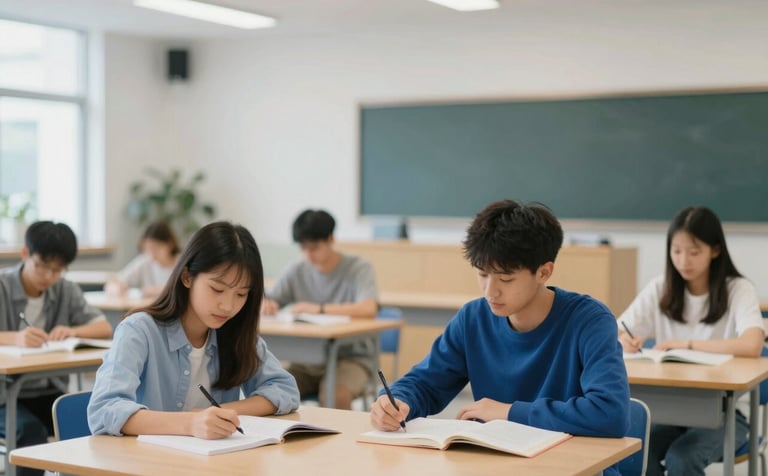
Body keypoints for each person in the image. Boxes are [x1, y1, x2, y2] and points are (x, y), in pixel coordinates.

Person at [369, 200, 630, 473]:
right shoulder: (473, 318)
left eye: (505, 279)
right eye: (482, 274)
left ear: (544, 272)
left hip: (576, 468)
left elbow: (610, 413)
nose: (490, 292)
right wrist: (397, 401)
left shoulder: (590, 320)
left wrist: (508, 412)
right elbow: (426, 383)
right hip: (498, 465)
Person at [88, 221, 300, 438]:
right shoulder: (139, 331)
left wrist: (221, 413)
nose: (228, 306)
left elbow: (285, 389)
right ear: (187, 276)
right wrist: (190, 424)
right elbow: (105, 409)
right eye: (217, 289)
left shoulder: (236, 333)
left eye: (241, 294)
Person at [617, 206, 764, 476]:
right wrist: (624, 340)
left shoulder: (737, 289)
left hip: (725, 414)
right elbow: (616, 330)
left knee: (683, 457)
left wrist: (687, 345)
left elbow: (752, 345)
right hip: (667, 410)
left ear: (715, 250)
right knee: (635, 450)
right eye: (676, 251)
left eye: (694, 252)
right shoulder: (661, 288)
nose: (684, 260)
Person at [0, 221, 112, 476]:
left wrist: (74, 331)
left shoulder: (65, 289)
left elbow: (104, 327)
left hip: (47, 388)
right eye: (42, 266)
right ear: (25, 254)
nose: (49, 276)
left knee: (93, 420)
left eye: (58, 269)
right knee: (31, 432)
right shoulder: (2, 285)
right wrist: (15, 338)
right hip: (4, 396)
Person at [261, 209, 379, 409]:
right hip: (307, 361)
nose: (308, 254)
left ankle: (342, 440)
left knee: (335, 395)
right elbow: (269, 297)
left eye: (314, 247)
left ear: (331, 239)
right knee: (271, 392)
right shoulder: (297, 270)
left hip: (352, 359)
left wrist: (320, 309)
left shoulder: (359, 268)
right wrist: (267, 303)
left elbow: (369, 308)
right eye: (303, 248)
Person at [105, 220, 181, 298]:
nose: (153, 254)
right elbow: (116, 280)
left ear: (170, 244)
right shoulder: (145, 262)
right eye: (148, 248)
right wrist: (117, 287)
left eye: (156, 248)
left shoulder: (181, 263)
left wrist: (158, 291)